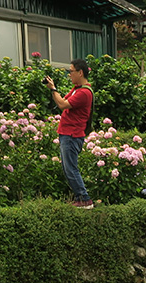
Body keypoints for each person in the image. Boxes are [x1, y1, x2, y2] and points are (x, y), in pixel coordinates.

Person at [45, 59, 93, 209]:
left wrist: (53, 89)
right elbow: (62, 100)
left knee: (71, 168)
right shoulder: (76, 89)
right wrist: (53, 89)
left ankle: (85, 199)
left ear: (80, 72)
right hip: (67, 134)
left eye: (71, 71)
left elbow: (61, 104)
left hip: (72, 135)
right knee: (68, 168)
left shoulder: (84, 92)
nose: (69, 74)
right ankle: (80, 198)